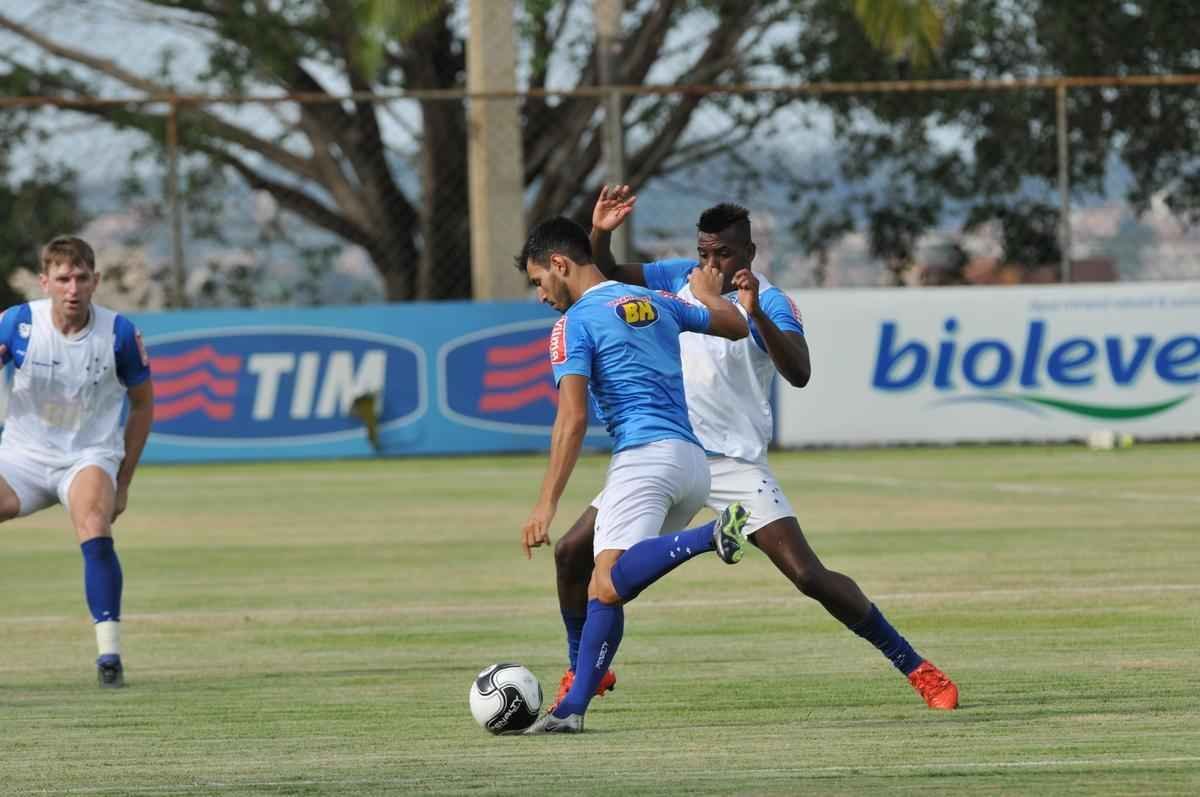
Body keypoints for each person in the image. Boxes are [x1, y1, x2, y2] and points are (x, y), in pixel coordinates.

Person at [547, 188, 959, 711]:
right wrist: (601, 233)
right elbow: (604, 275)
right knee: (572, 553)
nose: (711, 264)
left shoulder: (773, 301)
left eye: (723, 254)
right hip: (669, 453)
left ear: (749, 254)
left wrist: (756, 313)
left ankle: (915, 666)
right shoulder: (678, 278)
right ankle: (582, 669)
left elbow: (800, 371)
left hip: (734, 463)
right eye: (704, 253)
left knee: (808, 576)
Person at [516, 216, 752, 734]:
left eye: (539, 281)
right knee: (604, 584)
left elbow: (572, 419)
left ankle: (710, 535)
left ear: (559, 264)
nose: (541, 295)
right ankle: (572, 711)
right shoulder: (655, 301)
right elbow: (738, 327)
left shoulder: (573, 324)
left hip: (644, 459)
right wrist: (708, 295)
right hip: (691, 465)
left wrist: (545, 504)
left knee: (606, 581)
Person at [0, 235, 153, 688]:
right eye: (63, 278)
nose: (73, 288)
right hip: (21, 455)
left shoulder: (119, 334)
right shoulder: (16, 324)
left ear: (95, 281)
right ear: (44, 282)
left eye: (81, 278)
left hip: (88, 455)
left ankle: (109, 656)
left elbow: (143, 405)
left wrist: (123, 483)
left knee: (93, 524)